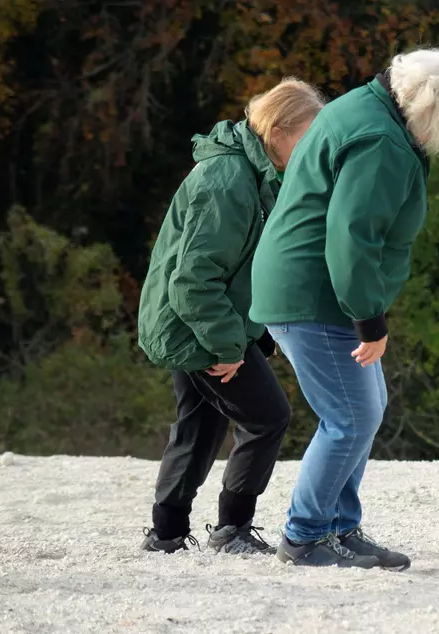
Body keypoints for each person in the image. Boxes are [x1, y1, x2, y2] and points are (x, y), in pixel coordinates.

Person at [250, 47, 439, 570]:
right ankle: (304, 535)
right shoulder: (381, 140)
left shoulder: (362, 108)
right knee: (350, 417)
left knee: (365, 409)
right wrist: (369, 316)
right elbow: (352, 238)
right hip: (316, 293)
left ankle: (340, 528)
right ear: (437, 109)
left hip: (310, 287)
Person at [136, 78, 326, 554]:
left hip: (202, 320)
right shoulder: (228, 179)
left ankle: (166, 534)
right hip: (194, 325)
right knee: (268, 417)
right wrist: (227, 344)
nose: (314, 147)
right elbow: (192, 279)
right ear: (278, 130)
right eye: (309, 134)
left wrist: (254, 330)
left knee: (199, 426)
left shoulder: (256, 173)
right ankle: (232, 529)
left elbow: (244, 264)